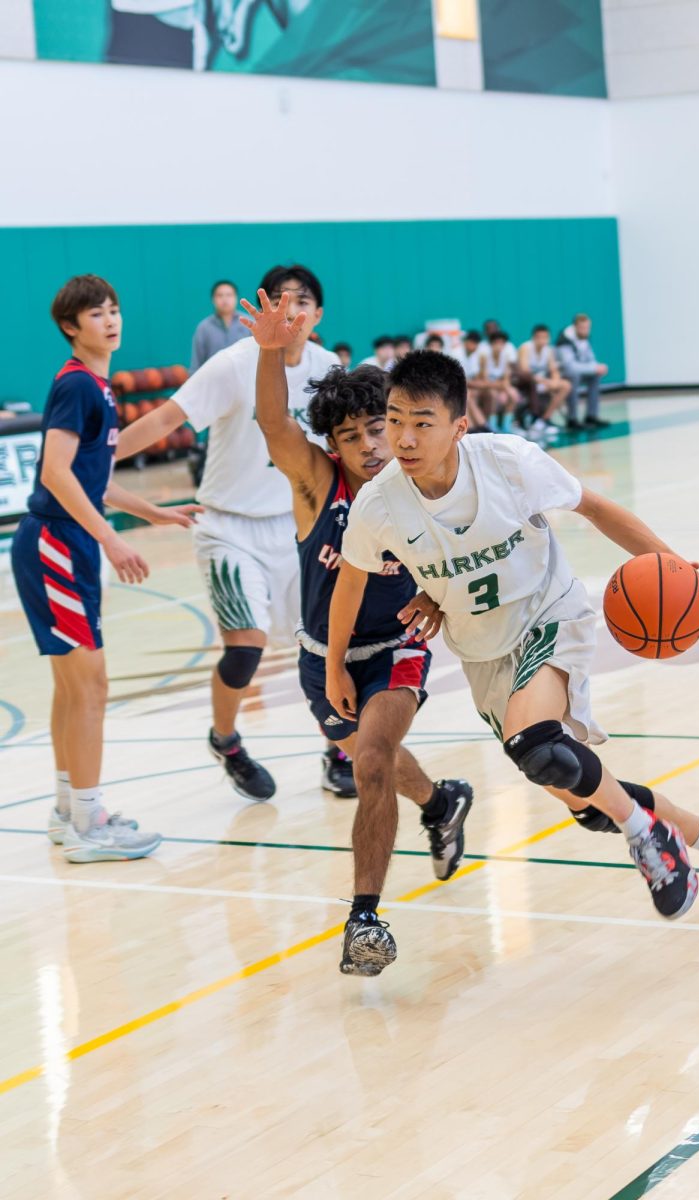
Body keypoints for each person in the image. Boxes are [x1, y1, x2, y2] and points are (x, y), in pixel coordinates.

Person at [326, 350, 699, 958]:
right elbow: (352, 579)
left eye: (422, 422)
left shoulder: (508, 463)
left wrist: (673, 564)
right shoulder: (380, 504)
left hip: (549, 613)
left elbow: (596, 507)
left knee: (536, 741)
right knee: (579, 792)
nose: (403, 436)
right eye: (395, 418)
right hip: (482, 652)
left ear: (459, 425)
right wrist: (333, 664)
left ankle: (646, 835)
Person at [240, 289, 473, 976]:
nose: (373, 445)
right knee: (376, 763)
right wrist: (268, 353)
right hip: (324, 656)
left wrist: (441, 592)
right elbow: (273, 421)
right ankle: (441, 801)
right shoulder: (317, 486)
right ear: (332, 447)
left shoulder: (417, 474)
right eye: (353, 436)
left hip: (397, 647)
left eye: (380, 428)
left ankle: (364, 919)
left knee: (369, 760)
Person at [116, 264, 357, 801]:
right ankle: (225, 739)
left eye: (301, 302)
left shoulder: (330, 369)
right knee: (245, 648)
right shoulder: (232, 365)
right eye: (279, 301)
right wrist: (97, 458)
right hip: (229, 527)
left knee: (329, 647)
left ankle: (338, 747)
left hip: (304, 527)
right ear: (262, 311)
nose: (290, 312)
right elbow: (163, 420)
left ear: (319, 315)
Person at [11, 274, 201, 862]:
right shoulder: (77, 387)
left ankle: (71, 811)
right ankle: (88, 824)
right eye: (97, 314)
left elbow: (95, 480)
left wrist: (154, 513)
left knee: (74, 687)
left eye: (114, 310)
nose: (111, 320)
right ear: (71, 327)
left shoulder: (98, 386)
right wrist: (110, 542)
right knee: (89, 685)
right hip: (56, 544)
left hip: (64, 543)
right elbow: (56, 473)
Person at [516, 324, 571, 438]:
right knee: (535, 384)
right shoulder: (525, 348)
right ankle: (533, 419)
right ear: (534, 338)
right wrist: (547, 382)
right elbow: (525, 372)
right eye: (540, 337)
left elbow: (554, 370)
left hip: (542, 383)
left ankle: (543, 420)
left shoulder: (548, 350)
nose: (542, 340)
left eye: (545, 337)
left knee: (565, 385)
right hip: (527, 384)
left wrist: (555, 381)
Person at [556, 313, 610, 430]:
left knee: (595, 376)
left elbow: (590, 359)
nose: (585, 330)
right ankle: (572, 419)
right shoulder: (564, 341)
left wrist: (598, 367)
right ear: (575, 327)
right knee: (574, 376)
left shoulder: (584, 338)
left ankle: (591, 416)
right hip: (562, 375)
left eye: (587, 328)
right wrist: (593, 368)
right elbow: (569, 367)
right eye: (582, 328)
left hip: (579, 372)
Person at [190, 280, 250, 373]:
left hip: (245, 379)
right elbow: (196, 364)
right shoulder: (204, 327)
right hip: (213, 381)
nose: (225, 299)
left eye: (229, 295)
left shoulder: (249, 322)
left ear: (236, 298)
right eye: (220, 295)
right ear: (213, 299)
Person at [475, 331, 520, 432]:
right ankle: (492, 424)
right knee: (493, 394)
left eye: (502, 343)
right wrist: (500, 386)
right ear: (491, 344)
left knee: (513, 395)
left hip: (498, 387)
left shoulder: (506, 357)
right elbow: (485, 381)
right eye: (497, 343)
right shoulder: (485, 357)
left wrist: (505, 390)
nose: (499, 346)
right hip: (485, 388)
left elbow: (506, 380)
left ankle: (506, 425)